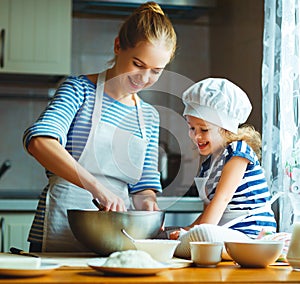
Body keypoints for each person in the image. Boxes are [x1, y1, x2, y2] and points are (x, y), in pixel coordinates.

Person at [23, 1, 177, 252]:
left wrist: (148, 205)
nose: (144, 78)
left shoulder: (148, 116)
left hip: (113, 237)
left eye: (156, 71)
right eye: (138, 64)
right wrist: (97, 188)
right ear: (118, 46)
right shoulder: (78, 90)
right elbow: (39, 141)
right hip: (57, 228)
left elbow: (143, 187)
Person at [169, 78, 278, 259]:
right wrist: (186, 231)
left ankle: (206, 249)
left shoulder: (238, 152)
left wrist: (192, 235)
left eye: (203, 129)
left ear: (226, 129)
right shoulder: (208, 166)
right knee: (180, 236)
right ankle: (201, 248)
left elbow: (222, 199)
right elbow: (208, 212)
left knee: (203, 236)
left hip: (253, 234)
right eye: (191, 128)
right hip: (226, 233)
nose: (196, 136)